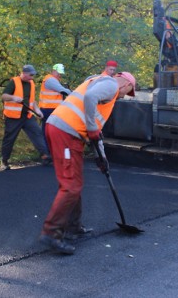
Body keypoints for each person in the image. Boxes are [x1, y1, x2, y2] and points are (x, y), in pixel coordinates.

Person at [39, 71, 137, 254]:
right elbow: (91, 107)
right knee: (70, 186)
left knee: (74, 183)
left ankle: (73, 227)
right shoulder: (111, 85)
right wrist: (91, 129)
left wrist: (102, 158)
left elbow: (95, 132)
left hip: (67, 132)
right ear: (126, 84)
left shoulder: (100, 85)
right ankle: (51, 232)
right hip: (65, 132)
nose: (125, 95)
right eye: (129, 91)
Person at [0, 65, 50, 170]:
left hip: (27, 115)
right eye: (30, 75)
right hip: (13, 117)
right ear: (24, 73)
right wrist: (13, 97)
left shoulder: (31, 83)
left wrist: (37, 111)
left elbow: (32, 101)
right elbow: (3, 96)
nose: (32, 77)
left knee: (37, 133)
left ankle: (45, 155)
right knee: (9, 139)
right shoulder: (14, 82)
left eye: (33, 75)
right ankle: (4, 161)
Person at [38, 64, 72, 165]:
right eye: (58, 73)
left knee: (48, 131)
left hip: (50, 110)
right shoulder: (50, 80)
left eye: (61, 74)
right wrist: (74, 94)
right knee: (49, 132)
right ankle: (48, 154)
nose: (59, 75)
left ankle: (47, 154)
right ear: (53, 71)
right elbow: (62, 90)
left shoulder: (52, 80)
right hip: (48, 110)